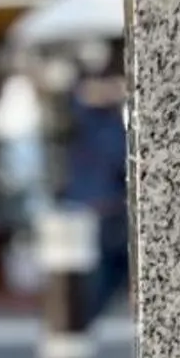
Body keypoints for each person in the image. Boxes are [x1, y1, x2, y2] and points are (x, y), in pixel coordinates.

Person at [60, 57, 131, 319]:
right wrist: (119, 90)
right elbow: (84, 94)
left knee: (114, 268)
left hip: (109, 204)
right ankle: (78, 320)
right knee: (101, 272)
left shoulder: (111, 121)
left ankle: (80, 320)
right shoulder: (89, 115)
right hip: (96, 205)